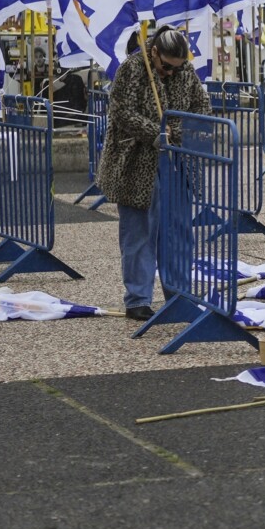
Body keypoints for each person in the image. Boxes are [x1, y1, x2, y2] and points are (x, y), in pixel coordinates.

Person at [100, 24, 212, 321]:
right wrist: (158, 132)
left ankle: (178, 294)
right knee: (139, 233)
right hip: (137, 162)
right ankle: (138, 298)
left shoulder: (184, 70)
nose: (171, 73)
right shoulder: (133, 68)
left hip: (177, 163)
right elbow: (121, 113)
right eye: (166, 67)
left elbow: (202, 108)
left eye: (177, 68)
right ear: (154, 52)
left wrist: (183, 131)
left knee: (178, 232)